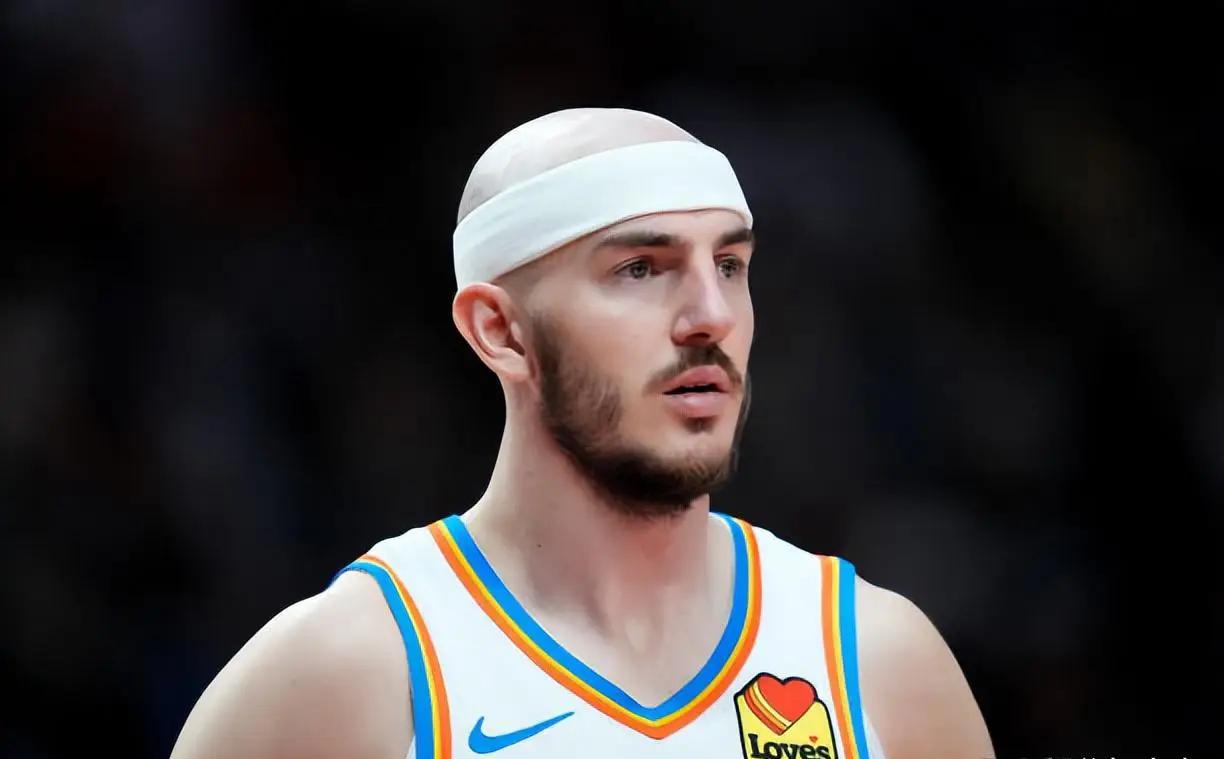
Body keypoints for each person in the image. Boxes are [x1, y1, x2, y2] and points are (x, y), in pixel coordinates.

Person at [170, 107, 994, 759]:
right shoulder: (343, 673)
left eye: (730, 265)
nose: (710, 316)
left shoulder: (879, 662)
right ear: (500, 331)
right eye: (641, 269)